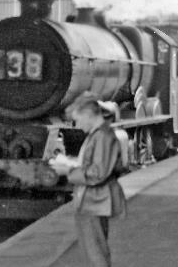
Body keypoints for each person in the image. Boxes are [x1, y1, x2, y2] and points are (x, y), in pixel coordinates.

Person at [50, 91, 127, 267]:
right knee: (94, 250)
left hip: (96, 202)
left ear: (88, 115)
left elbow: (98, 173)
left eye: (78, 120)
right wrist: (70, 162)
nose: (78, 125)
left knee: (95, 252)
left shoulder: (103, 137)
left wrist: (67, 171)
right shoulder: (98, 135)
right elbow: (91, 165)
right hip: (93, 201)